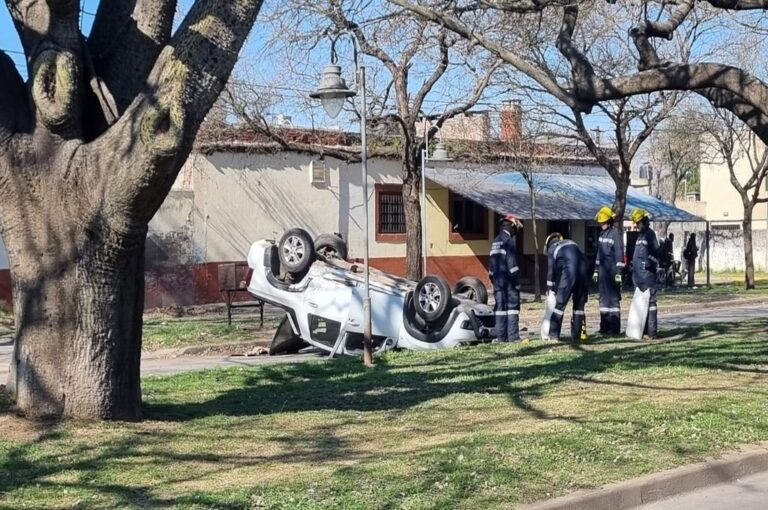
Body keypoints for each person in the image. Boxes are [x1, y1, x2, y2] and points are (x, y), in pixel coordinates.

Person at [545, 232, 589, 342]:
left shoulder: (552, 249)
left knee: (559, 305)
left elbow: (551, 272)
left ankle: (553, 335)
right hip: (583, 272)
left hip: (569, 274)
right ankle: (577, 336)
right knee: (579, 306)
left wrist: (550, 288)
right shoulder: (571, 243)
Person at [630, 208, 664, 340]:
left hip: (648, 276)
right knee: (641, 305)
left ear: (644, 221)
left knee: (651, 304)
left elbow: (655, 254)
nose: (637, 226)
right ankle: (642, 331)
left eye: (638, 223)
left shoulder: (650, 235)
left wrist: (648, 265)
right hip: (638, 277)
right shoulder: (640, 236)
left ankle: (652, 332)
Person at [489, 214, 523, 342]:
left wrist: (494, 280)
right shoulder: (509, 241)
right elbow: (512, 265)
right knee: (512, 308)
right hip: (509, 281)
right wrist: (516, 282)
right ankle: (513, 336)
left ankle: (500, 336)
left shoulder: (496, 241)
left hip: (497, 281)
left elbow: (491, 265)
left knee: (500, 309)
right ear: (512, 227)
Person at [593, 206, 624, 335]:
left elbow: (619, 254)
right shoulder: (601, 234)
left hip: (612, 272)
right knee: (603, 301)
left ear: (609, 221)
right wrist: (596, 270)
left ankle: (614, 328)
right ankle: (604, 327)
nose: (602, 224)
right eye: (601, 222)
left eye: (604, 222)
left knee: (613, 301)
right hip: (603, 272)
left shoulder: (615, 234)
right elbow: (599, 254)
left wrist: (619, 273)